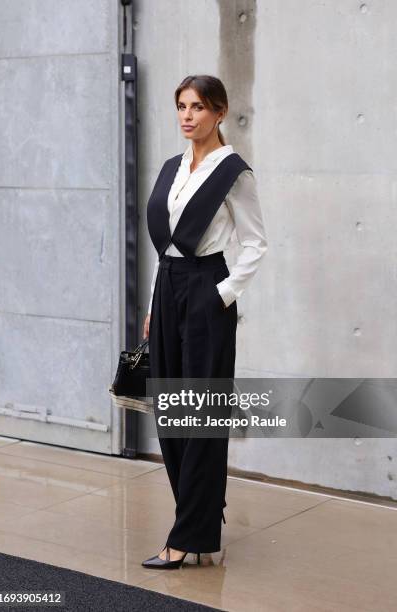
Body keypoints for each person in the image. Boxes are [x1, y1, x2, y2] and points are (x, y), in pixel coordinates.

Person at [141, 75, 268, 569]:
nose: (187, 115)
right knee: (170, 410)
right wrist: (156, 304)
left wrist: (223, 293)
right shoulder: (173, 167)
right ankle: (198, 517)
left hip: (206, 292)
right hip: (168, 288)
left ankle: (187, 536)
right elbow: (168, 242)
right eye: (181, 106)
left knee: (201, 415)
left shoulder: (234, 172)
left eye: (197, 106)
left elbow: (256, 242)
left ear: (219, 112)